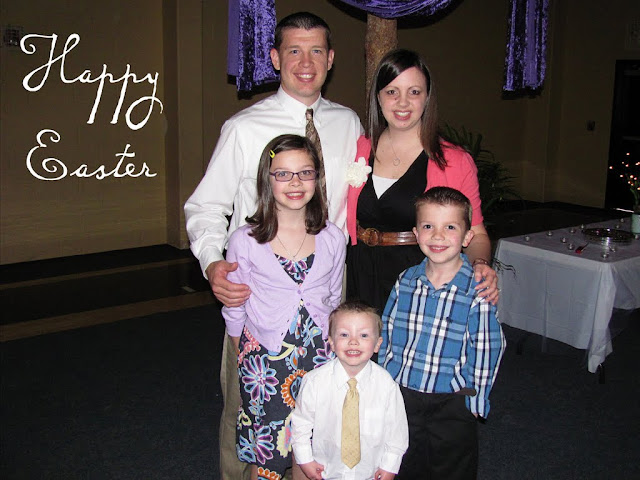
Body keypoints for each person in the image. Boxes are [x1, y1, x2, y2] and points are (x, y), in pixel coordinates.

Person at [184, 12, 361, 480]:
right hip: (260, 293)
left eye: (317, 50)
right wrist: (213, 264)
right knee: (246, 408)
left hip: (326, 287)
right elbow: (205, 207)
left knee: (322, 408)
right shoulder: (244, 127)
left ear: (331, 59)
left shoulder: (348, 122)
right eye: (294, 50)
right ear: (275, 58)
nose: (306, 62)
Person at [222, 134, 346, 480]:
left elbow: (334, 298)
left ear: (316, 179)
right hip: (266, 362)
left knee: (313, 448)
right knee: (270, 451)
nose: (295, 182)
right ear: (268, 180)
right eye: (283, 174)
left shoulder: (333, 237)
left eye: (305, 173)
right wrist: (242, 352)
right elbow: (235, 306)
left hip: (319, 358)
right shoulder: (245, 240)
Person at [346, 48, 498, 313]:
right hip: (362, 275)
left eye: (414, 92)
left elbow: (477, 234)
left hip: (421, 281)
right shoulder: (359, 147)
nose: (402, 103)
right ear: (378, 97)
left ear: (427, 97)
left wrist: (481, 264)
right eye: (392, 92)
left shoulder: (454, 161)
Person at [379, 186, 506, 480]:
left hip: (452, 400)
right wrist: (384, 383)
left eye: (450, 227)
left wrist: (476, 397)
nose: (437, 236)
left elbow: (487, 347)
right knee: (403, 461)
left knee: (453, 467)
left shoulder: (477, 289)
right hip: (404, 394)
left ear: (467, 237)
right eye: (428, 226)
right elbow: (388, 330)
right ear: (416, 233)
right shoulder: (405, 280)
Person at [291, 301, 408, 480]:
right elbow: (300, 425)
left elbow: (397, 432)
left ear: (378, 344)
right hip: (326, 471)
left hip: (370, 473)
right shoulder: (315, 382)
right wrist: (305, 460)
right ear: (331, 342)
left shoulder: (387, 386)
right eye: (344, 334)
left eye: (364, 335)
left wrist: (390, 466)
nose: (353, 341)